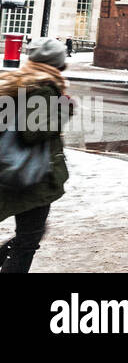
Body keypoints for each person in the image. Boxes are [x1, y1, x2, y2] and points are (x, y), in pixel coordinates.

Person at [0, 38, 72, 274]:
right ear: (56, 64)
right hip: (30, 176)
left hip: (12, 170)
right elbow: (33, 131)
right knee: (27, 242)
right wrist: (63, 108)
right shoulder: (43, 88)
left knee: (29, 236)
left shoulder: (16, 82)